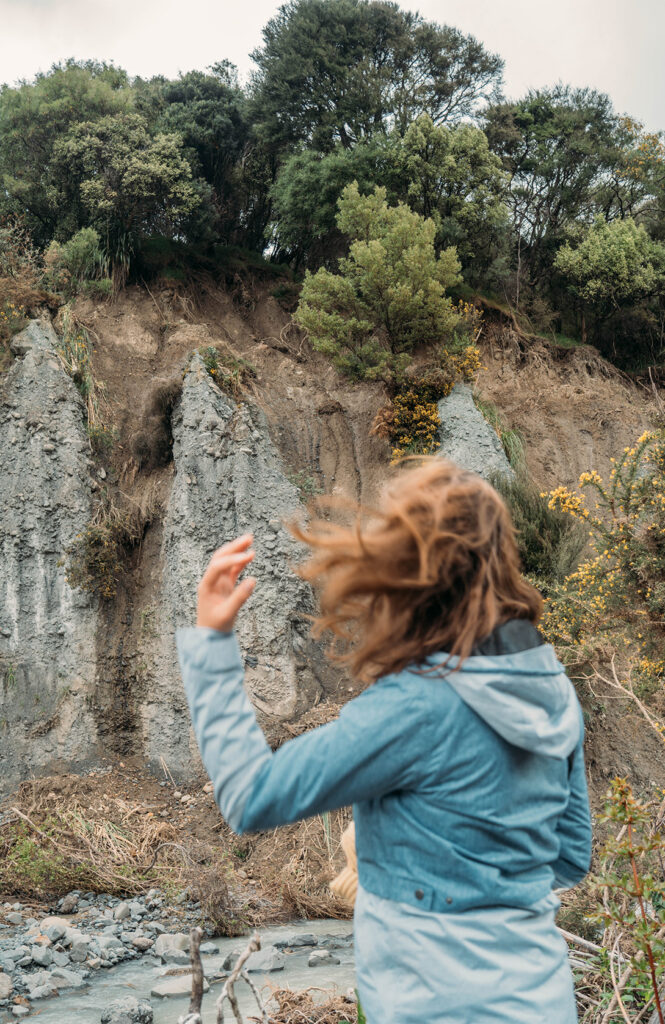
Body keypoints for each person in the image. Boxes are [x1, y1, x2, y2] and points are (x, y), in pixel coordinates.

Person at [176, 459, 591, 1024]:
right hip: (544, 1000)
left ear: (405, 573)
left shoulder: (417, 706)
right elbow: (568, 855)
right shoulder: (552, 690)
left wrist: (211, 644)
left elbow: (252, 796)